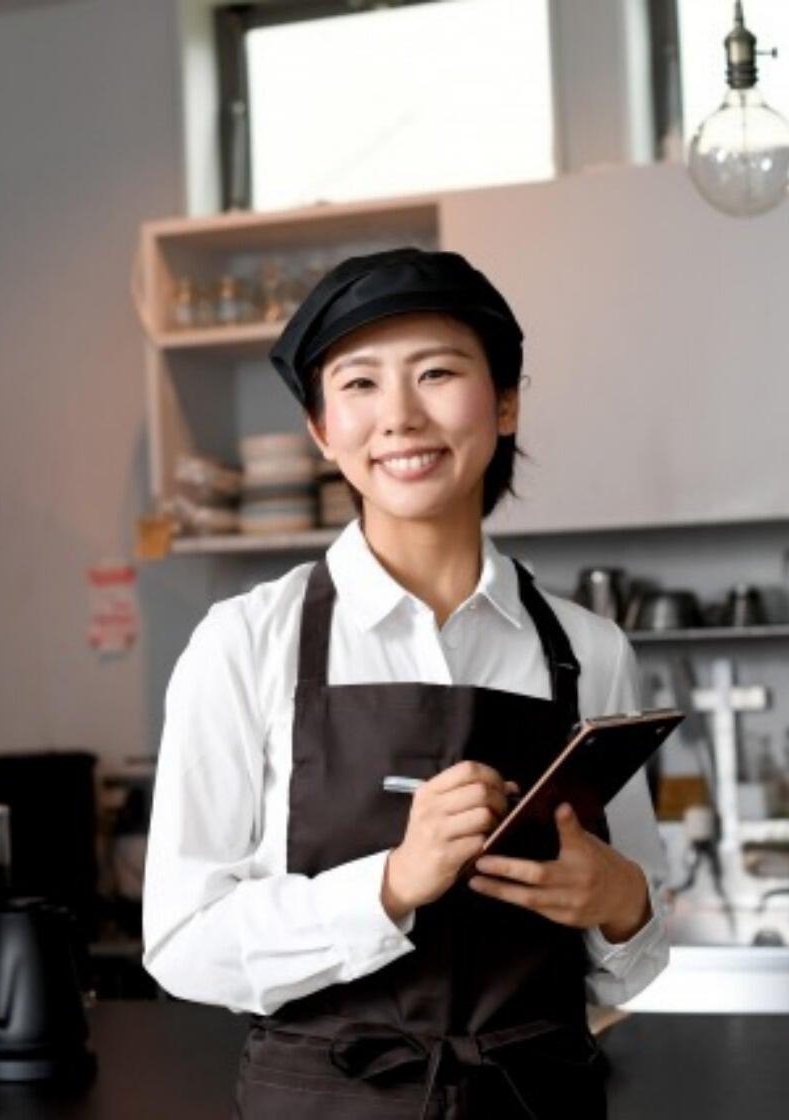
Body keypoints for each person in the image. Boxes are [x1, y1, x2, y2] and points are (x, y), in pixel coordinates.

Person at [142, 248, 670, 1119]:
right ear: (320, 430)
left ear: (504, 403)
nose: (400, 416)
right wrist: (389, 884)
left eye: (436, 373)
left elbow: (634, 956)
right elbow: (182, 942)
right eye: (358, 385)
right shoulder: (245, 643)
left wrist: (621, 902)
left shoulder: (591, 650)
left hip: (539, 1098)